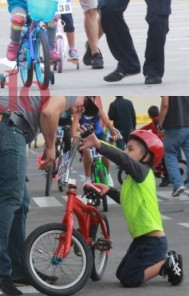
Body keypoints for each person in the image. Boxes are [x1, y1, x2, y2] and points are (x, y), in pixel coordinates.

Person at [0, 96, 84, 296]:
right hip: (8, 130)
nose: (79, 110)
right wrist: (50, 148)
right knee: (10, 198)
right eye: (82, 108)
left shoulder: (34, 87)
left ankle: (19, 270)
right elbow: (48, 113)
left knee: (20, 200)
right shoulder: (70, 93)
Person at [80, 129, 184, 288]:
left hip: (152, 241)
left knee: (129, 279)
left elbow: (123, 160)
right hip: (141, 239)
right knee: (121, 273)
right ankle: (161, 264)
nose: (125, 152)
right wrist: (110, 190)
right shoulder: (132, 180)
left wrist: (99, 144)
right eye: (126, 148)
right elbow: (126, 200)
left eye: (130, 149)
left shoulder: (143, 172)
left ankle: (167, 263)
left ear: (146, 156)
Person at [71, 96, 119, 185]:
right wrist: (74, 136)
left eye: (82, 106)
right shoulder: (78, 113)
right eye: (80, 106)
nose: (80, 108)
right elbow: (74, 126)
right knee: (86, 151)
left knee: (106, 150)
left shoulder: (98, 111)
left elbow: (107, 122)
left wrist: (114, 133)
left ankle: (108, 174)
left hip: (99, 135)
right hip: (86, 137)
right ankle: (88, 178)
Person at [158, 96, 189, 197]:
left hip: (173, 127)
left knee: (170, 154)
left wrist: (160, 124)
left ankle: (178, 184)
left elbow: (165, 104)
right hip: (187, 126)